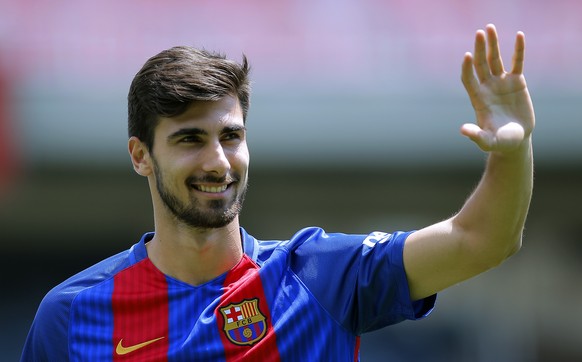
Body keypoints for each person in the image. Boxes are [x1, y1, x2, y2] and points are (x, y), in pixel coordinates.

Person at [21, 23, 534, 361]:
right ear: (140, 156)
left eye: (231, 136)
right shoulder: (71, 315)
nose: (217, 161)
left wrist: (512, 152)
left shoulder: (320, 275)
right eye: (189, 140)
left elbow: (481, 239)